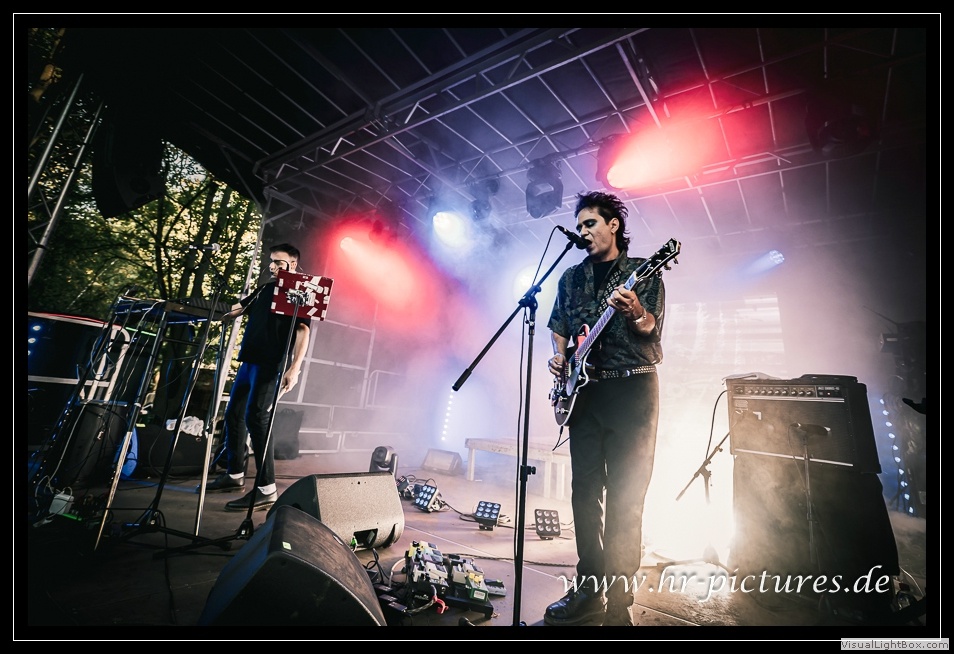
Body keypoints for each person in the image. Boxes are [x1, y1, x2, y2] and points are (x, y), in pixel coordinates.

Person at [543, 191, 665, 627]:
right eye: (579, 226)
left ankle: (618, 603)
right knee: (584, 492)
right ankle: (589, 589)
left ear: (613, 225)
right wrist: (560, 358)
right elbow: (559, 326)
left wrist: (635, 311)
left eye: (590, 223)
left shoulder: (643, 271)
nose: (583, 231)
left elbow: (651, 329)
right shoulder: (571, 277)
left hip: (632, 390)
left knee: (626, 497)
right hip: (585, 392)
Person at [198, 243, 311, 513]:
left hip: (270, 364)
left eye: (279, 262)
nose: (272, 266)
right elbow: (238, 308)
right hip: (248, 362)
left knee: (257, 418)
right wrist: (207, 310)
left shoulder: (298, 293)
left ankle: (266, 489)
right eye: (271, 261)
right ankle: (234, 474)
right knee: (234, 415)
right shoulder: (265, 289)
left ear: (292, 264)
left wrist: (294, 368)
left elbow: (303, 330)